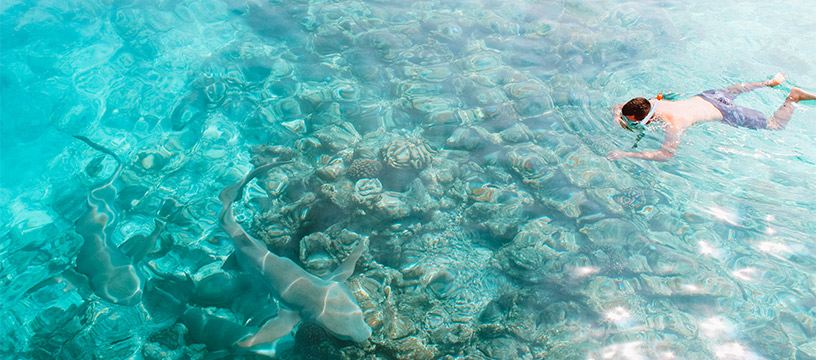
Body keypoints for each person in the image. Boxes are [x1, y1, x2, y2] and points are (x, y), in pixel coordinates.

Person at [607, 73, 816, 161]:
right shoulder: (652, 102)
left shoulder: (673, 125)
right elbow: (619, 106)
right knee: (732, 90)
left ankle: (794, 98)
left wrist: (627, 154)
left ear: (641, 118)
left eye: (632, 120)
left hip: (725, 112)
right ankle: (768, 83)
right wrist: (618, 116)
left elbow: (666, 155)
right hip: (710, 96)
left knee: (775, 125)